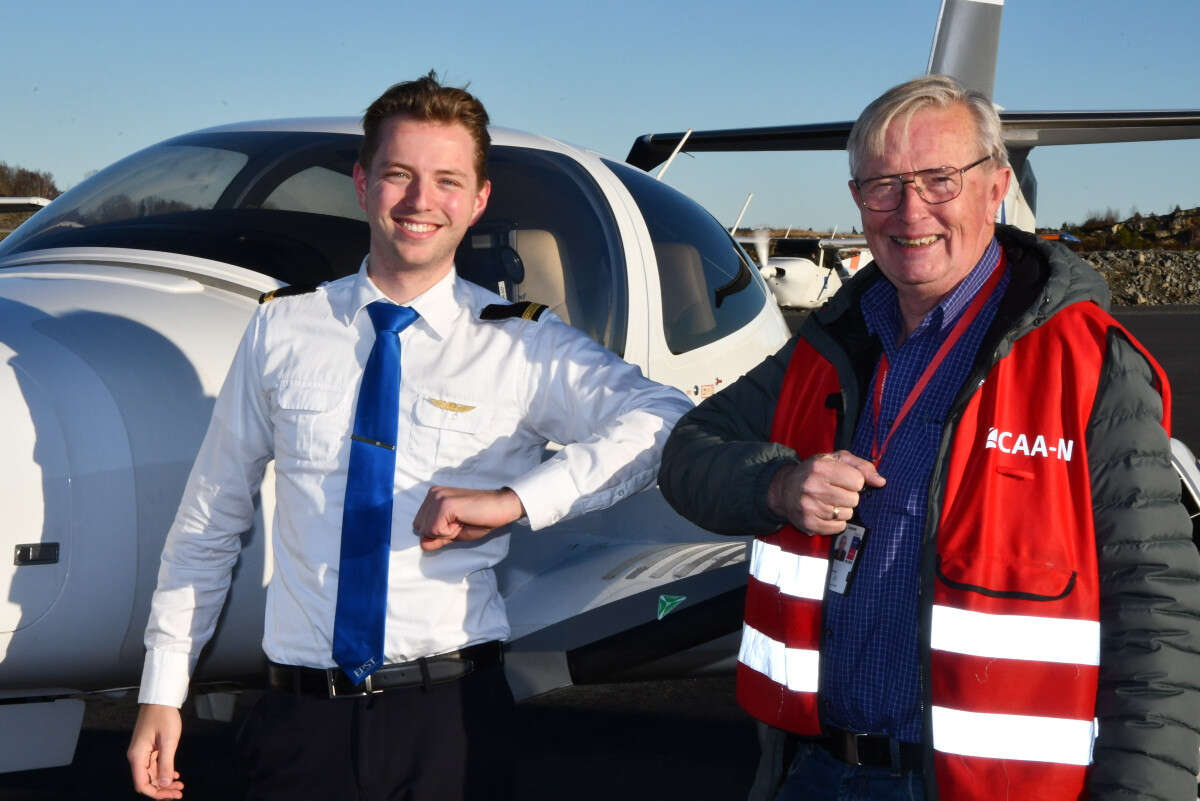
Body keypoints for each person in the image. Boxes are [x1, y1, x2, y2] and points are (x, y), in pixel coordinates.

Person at [126, 72, 692, 801]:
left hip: (450, 722)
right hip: (299, 722)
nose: (421, 201)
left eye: (447, 180)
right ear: (363, 184)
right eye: (399, 174)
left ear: (478, 200)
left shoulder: (522, 345)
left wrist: (515, 500)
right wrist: (162, 691)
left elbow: (664, 419)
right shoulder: (281, 328)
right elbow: (210, 518)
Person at [658, 74, 1200, 801]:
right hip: (816, 770)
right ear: (856, 198)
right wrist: (776, 485)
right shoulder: (830, 346)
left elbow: (1157, 613)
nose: (910, 211)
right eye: (882, 185)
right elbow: (688, 453)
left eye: (940, 180)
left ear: (995, 187)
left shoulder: (1091, 367)